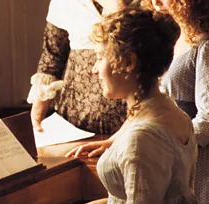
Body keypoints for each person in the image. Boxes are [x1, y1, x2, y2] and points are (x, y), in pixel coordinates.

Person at [25, 7, 209, 204]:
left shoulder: (143, 136)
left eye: (100, 57)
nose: (93, 69)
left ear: (128, 62)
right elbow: (162, 195)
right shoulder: (170, 111)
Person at [143, 0, 209, 204]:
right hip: (167, 152)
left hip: (195, 157)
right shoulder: (171, 39)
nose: (157, 1)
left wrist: (171, 145)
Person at [27, 0, 138, 135]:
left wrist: (118, 7)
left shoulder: (154, 3)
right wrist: (39, 113)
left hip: (132, 121)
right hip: (74, 122)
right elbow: (53, 56)